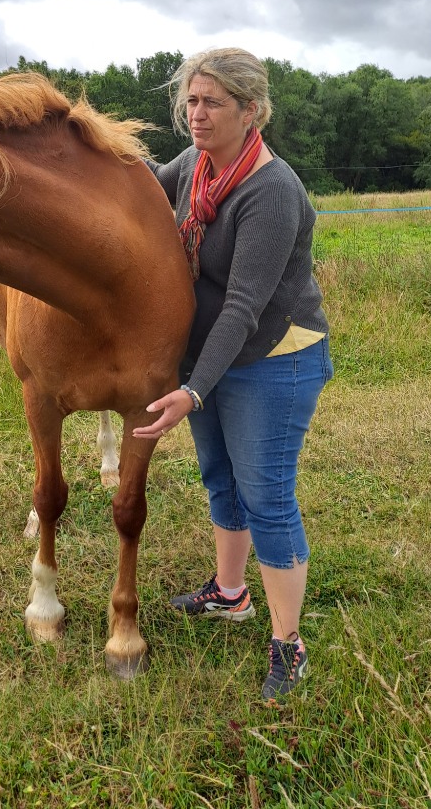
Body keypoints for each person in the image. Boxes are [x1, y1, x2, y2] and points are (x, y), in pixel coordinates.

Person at [134, 47, 333, 704]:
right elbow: (140, 192)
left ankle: (289, 645)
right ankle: (229, 594)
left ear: (252, 111)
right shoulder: (195, 163)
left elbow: (244, 307)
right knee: (221, 478)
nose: (196, 114)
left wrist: (192, 390)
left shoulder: (271, 191)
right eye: (191, 101)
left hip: (276, 355)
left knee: (267, 496)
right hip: (213, 356)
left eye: (212, 102)